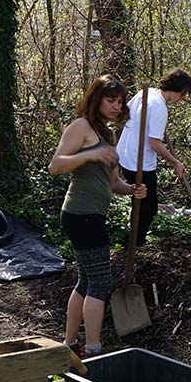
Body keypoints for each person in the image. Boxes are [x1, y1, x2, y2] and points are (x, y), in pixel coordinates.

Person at [49, 75, 148, 357]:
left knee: (86, 279)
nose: (116, 106)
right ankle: (93, 350)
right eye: (110, 100)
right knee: (100, 282)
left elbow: (112, 182)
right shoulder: (80, 127)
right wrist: (90, 156)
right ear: (96, 99)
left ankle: (69, 343)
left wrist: (132, 189)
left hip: (93, 214)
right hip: (81, 213)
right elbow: (55, 166)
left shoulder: (108, 135)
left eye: (119, 101)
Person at [116, 68, 191, 246]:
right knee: (148, 207)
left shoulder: (146, 92)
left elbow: (127, 115)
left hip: (124, 155)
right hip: (139, 162)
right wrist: (175, 162)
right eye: (183, 95)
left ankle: (134, 239)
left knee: (140, 202)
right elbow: (155, 144)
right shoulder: (159, 106)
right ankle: (137, 243)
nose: (181, 99)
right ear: (179, 89)